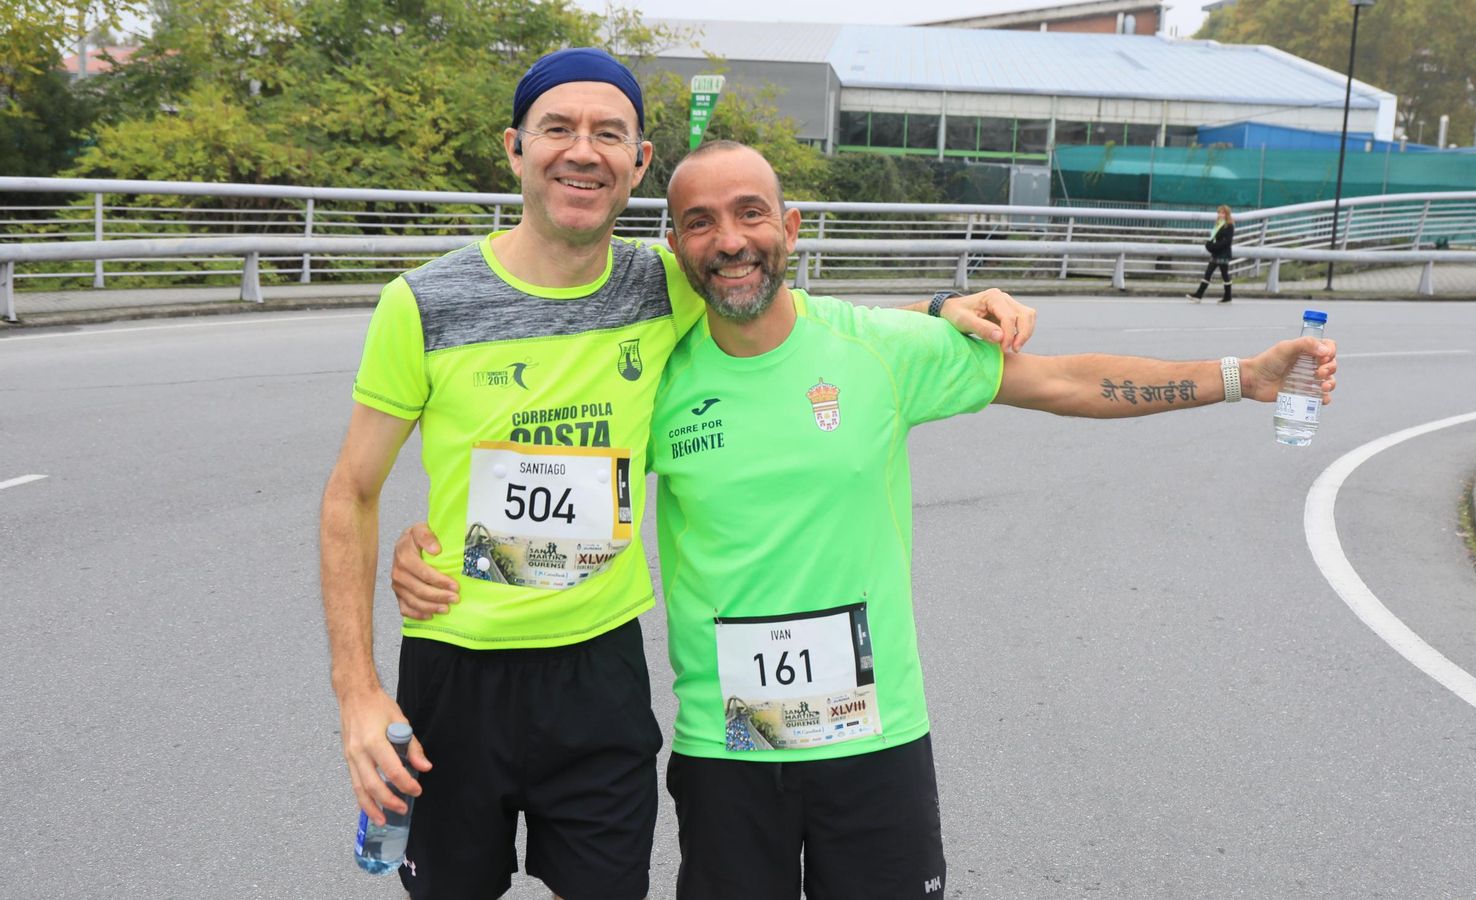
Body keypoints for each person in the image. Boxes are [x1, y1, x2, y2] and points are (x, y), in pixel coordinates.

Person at [390, 141, 1340, 899]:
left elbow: (1061, 381)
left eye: (750, 214)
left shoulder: (881, 349)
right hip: (731, 751)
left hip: (875, 743)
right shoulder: (654, 372)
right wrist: (427, 552)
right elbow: (540, 471)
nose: (729, 239)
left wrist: (1238, 378)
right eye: (700, 222)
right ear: (674, 250)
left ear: (790, 227)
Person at [319, 49, 1033, 900]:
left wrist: (936, 309)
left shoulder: (667, 281)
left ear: (638, 163)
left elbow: (776, 291)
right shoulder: (425, 303)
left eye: (608, 133)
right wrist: (358, 692)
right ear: (515, 148)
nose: (583, 150)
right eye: (558, 128)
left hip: (599, 675)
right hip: (454, 671)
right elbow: (350, 494)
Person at [1187, 204, 1235, 303]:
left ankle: (1228, 297)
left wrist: (1215, 247)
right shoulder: (1218, 224)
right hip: (1216, 253)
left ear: (1227, 214)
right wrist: (1209, 245)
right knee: (1208, 273)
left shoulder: (1229, 226)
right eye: (1219, 212)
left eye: (1222, 213)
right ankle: (1198, 295)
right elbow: (1213, 238)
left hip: (1223, 254)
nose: (1220, 214)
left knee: (1224, 274)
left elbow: (1227, 241)